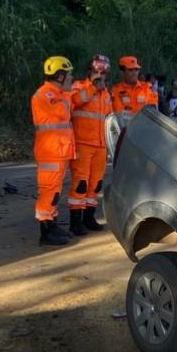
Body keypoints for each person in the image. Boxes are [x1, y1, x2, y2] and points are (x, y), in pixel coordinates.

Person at [31, 56, 76, 247]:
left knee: (55, 191)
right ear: (59, 76)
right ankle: (46, 231)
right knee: (48, 192)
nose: (72, 78)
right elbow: (63, 112)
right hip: (50, 151)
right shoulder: (45, 95)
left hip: (58, 150)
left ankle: (52, 224)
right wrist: (71, 93)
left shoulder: (59, 94)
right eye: (69, 75)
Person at [68, 54, 112, 236]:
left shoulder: (106, 93)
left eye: (104, 73)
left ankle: (88, 217)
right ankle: (75, 221)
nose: (100, 75)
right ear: (90, 71)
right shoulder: (79, 86)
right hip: (82, 143)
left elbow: (109, 118)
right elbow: (75, 101)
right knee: (81, 183)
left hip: (100, 145)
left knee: (96, 183)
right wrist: (93, 87)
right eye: (97, 72)